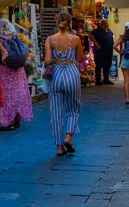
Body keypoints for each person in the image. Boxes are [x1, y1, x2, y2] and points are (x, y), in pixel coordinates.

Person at [45, 12, 84, 156]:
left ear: (57, 23)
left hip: (56, 75)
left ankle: (59, 147)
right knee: (73, 108)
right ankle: (68, 137)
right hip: (71, 74)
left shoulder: (50, 39)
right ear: (69, 23)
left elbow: (47, 60)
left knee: (55, 112)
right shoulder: (76, 39)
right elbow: (79, 59)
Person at [0, 18, 33, 131]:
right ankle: (16, 119)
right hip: (19, 71)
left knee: (6, 96)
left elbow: (0, 55)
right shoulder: (16, 37)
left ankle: (8, 121)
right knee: (17, 95)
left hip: (6, 71)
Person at [89, 19, 114, 85]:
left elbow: (112, 36)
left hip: (108, 51)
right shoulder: (96, 31)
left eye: (106, 23)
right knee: (99, 65)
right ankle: (98, 80)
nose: (105, 24)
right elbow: (90, 35)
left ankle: (106, 79)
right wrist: (96, 44)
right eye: (104, 23)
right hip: (99, 51)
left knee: (107, 65)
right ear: (101, 24)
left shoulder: (109, 31)